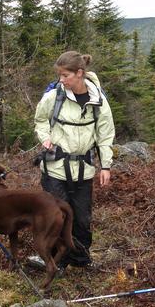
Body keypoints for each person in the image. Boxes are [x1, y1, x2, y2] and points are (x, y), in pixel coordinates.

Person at [34, 51, 115, 268]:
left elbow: (105, 135)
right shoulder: (54, 96)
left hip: (84, 170)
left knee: (81, 218)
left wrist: (105, 166)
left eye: (65, 75)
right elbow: (40, 119)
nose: (61, 80)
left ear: (79, 73)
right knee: (55, 216)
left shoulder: (99, 101)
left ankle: (79, 258)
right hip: (55, 169)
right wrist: (46, 138)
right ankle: (54, 260)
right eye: (60, 75)